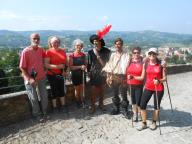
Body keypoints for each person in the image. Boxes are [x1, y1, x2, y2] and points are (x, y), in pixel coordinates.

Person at [133, 48, 167, 131]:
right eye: (150, 53)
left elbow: (165, 78)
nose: (152, 55)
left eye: (154, 53)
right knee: (142, 105)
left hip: (158, 88)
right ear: (148, 54)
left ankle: (154, 122)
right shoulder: (146, 64)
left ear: (156, 55)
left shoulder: (161, 65)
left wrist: (159, 81)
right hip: (148, 87)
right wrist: (133, 77)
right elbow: (142, 77)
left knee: (156, 106)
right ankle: (144, 123)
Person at [19, 33, 49, 122]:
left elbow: (45, 59)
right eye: (34, 38)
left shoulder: (41, 50)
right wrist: (30, 79)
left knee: (44, 96)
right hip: (30, 79)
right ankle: (37, 115)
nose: (36, 40)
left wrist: (46, 69)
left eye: (38, 39)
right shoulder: (26, 51)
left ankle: (45, 113)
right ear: (30, 39)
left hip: (41, 77)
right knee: (33, 98)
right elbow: (22, 67)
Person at [102, 38, 130, 117]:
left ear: (122, 45)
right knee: (115, 94)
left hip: (123, 77)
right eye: (116, 44)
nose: (118, 45)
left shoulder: (126, 54)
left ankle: (124, 109)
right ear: (115, 45)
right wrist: (108, 74)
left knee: (124, 94)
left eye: (119, 44)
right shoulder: (112, 55)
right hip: (114, 76)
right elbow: (110, 65)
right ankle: (116, 108)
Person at [87, 34, 111, 114]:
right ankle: (93, 106)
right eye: (94, 41)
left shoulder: (106, 51)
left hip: (103, 72)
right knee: (93, 91)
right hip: (94, 73)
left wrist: (98, 56)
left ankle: (101, 104)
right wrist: (88, 72)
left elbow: (106, 65)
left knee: (102, 90)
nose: (95, 42)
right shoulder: (90, 52)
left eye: (97, 41)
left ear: (100, 41)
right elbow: (89, 64)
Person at [45, 36, 68, 113]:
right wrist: (58, 66)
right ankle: (55, 108)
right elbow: (46, 65)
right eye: (54, 42)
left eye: (57, 42)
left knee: (62, 90)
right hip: (52, 75)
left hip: (61, 74)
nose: (56, 43)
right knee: (54, 91)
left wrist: (65, 70)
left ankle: (63, 106)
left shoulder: (63, 51)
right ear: (51, 43)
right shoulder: (48, 52)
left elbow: (66, 63)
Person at [126, 47, 143, 121]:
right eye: (134, 52)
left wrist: (163, 64)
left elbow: (155, 61)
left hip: (139, 84)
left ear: (140, 53)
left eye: (138, 52)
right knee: (133, 100)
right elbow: (126, 70)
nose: (136, 54)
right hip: (130, 84)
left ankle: (139, 114)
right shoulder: (129, 61)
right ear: (132, 53)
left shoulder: (143, 62)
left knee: (138, 100)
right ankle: (134, 113)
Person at [69, 39, 87, 108]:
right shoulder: (72, 55)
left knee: (82, 88)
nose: (78, 47)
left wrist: (85, 67)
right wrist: (80, 67)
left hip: (82, 74)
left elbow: (85, 64)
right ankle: (78, 102)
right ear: (75, 46)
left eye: (80, 45)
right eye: (77, 45)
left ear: (82, 46)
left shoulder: (83, 55)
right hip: (75, 75)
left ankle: (82, 101)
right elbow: (71, 67)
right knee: (77, 89)